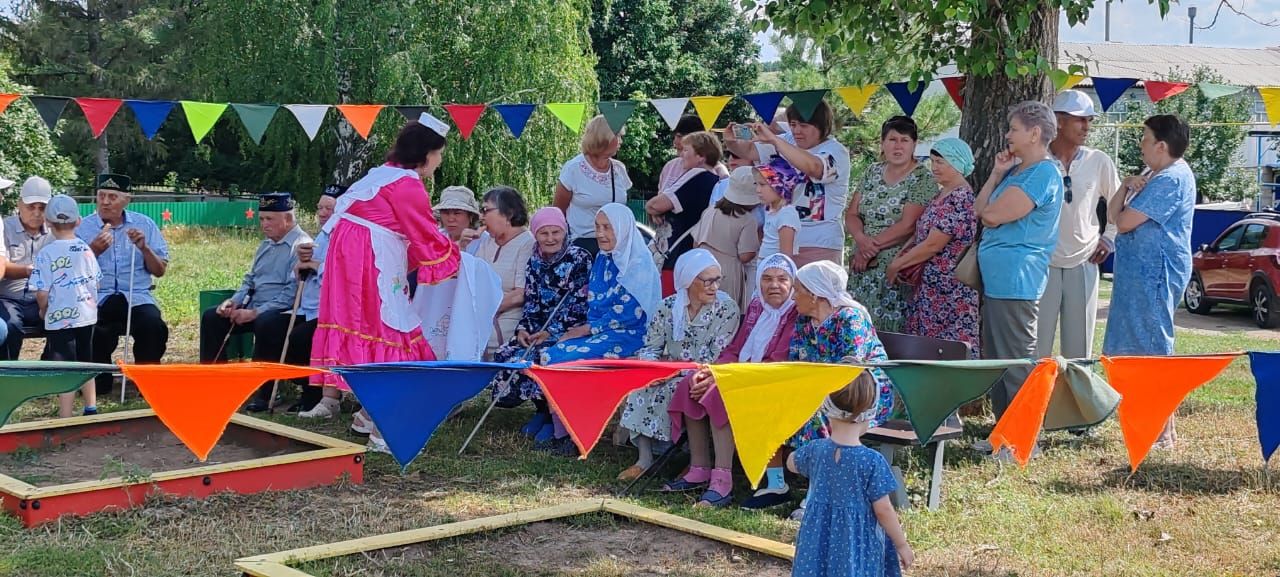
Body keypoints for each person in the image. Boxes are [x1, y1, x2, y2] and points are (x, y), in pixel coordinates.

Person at [309, 114, 461, 453]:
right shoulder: (407, 184)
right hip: (370, 259)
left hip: (350, 257)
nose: (438, 162)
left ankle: (366, 414)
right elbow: (422, 232)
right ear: (426, 153)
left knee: (376, 326)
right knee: (389, 327)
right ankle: (383, 426)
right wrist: (454, 255)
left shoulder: (380, 174)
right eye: (439, 154)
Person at [667, 253, 799, 507]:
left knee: (719, 392)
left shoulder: (794, 313)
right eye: (768, 279)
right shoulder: (757, 307)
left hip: (770, 381)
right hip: (742, 374)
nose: (774, 285)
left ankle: (722, 481)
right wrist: (712, 371)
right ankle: (699, 466)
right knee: (692, 382)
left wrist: (725, 378)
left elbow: (777, 362)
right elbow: (735, 349)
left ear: (793, 284)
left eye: (783, 279)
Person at [538, 204, 661, 456]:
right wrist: (586, 328)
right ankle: (565, 432)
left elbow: (630, 314)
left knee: (562, 358)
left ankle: (575, 436)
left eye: (608, 227)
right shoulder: (604, 259)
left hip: (630, 336)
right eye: (597, 227)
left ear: (624, 229)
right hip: (601, 332)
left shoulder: (637, 264)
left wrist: (586, 329)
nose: (601, 234)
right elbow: (594, 302)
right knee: (551, 353)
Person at [1104, 114, 1196, 449]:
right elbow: (1113, 215)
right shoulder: (1150, 175)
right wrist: (1125, 184)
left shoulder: (1171, 178)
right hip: (1137, 276)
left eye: (1144, 138)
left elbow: (1126, 222)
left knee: (1155, 348)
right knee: (1137, 348)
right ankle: (1148, 423)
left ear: (1161, 145)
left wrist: (1127, 201)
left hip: (1157, 274)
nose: (1140, 145)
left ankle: (1164, 432)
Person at [975, 101, 1063, 430]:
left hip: (1017, 279)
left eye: (1013, 128)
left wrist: (989, 213)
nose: (1007, 134)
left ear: (1034, 133)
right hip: (999, 278)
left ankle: (1022, 436)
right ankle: (1003, 432)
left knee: (1015, 360)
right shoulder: (1016, 171)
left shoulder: (1043, 172)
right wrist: (997, 174)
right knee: (999, 360)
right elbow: (979, 209)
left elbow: (993, 215)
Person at [618, 249, 739, 482]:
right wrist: (654, 369)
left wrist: (676, 370)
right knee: (641, 385)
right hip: (666, 370)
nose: (714, 286)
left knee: (679, 388)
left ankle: (685, 456)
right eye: (708, 280)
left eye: (717, 279)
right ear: (688, 281)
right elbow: (651, 347)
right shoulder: (667, 307)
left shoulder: (726, 309)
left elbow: (718, 355)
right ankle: (644, 459)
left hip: (702, 373)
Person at [788, 371, 914, 577]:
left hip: (817, 539)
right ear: (871, 411)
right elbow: (883, 509)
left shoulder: (815, 450)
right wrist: (901, 544)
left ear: (827, 407)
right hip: (855, 542)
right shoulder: (872, 461)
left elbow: (791, 463)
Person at [199, 193, 312, 411]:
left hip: (285, 311)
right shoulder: (266, 246)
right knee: (212, 317)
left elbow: (292, 293)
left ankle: (267, 390)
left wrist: (256, 312)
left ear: (287, 219)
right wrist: (234, 301)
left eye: (269, 219)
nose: (264, 225)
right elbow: (250, 279)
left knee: (266, 323)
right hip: (255, 304)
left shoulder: (301, 246)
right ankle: (213, 381)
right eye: (261, 219)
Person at [490, 207, 593, 435]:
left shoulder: (578, 259)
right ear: (535, 235)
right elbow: (532, 301)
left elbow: (579, 304)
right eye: (544, 233)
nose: (550, 239)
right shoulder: (534, 260)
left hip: (571, 328)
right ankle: (540, 410)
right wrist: (524, 329)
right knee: (508, 353)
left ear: (564, 232)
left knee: (541, 357)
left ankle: (551, 416)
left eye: (555, 232)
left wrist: (552, 331)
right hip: (538, 328)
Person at [1039, 90, 1120, 363]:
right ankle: (1036, 404)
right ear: (1059, 121)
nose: (1087, 127)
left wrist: (1109, 238)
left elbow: (1118, 203)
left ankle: (1076, 405)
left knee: (1079, 350)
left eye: (1089, 120)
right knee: (1037, 348)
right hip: (1042, 263)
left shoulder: (1099, 160)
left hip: (1084, 261)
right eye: (1080, 120)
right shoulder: (1034, 160)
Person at [76, 173, 170, 396]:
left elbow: (160, 270)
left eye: (112, 196)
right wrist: (93, 250)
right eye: (101, 196)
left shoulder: (144, 224)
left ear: (127, 199)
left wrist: (144, 248)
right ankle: (99, 381)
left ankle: (147, 381)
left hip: (136, 295)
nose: (105, 202)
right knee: (94, 330)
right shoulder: (84, 227)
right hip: (100, 296)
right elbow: (73, 272)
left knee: (152, 325)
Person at [726, 100, 851, 267]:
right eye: (793, 124)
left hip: (818, 243)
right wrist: (731, 141)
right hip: (777, 237)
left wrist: (775, 140)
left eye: (804, 125)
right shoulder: (786, 140)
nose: (797, 131)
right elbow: (749, 151)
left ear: (822, 126)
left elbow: (814, 167)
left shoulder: (836, 151)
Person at [888, 138, 980, 357]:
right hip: (929, 289)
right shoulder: (942, 194)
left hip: (950, 290)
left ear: (957, 164)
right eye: (932, 161)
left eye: (940, 162)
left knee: (949, 349)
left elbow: (933, 244)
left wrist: (896, 265)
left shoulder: (960, 197)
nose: (934, 167)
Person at [845, 116, 934, 332]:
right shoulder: (872, 172)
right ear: (882, 143)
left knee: (890, 333)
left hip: (894, 268)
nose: (898, 146)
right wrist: (861, 241)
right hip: (862, 265)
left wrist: (868, 249)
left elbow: (908, 225)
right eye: (892, 139)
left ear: (914, 144)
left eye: (904, 140)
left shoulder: (922, 178)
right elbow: (852, 214)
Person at [32, 195, 101, 418]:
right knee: (86, 360)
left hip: (59, 318)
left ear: (48, 222)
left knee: (65, 365)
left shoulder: (46, 254)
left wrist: (43, 310)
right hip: (86, 315)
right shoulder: (86, 250)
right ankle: (90, 406)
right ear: (78, 221)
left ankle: (65, 415)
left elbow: (42, 292)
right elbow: (96, 281)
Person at [285, 184, 346, 414]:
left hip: (330, 310)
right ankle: (273, 388)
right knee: (273, 327)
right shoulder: (322, 234)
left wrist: (312, 264)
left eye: (328, 208)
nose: (322, 213)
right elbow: (300, 272)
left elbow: (341, 273)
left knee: (301, 338)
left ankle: (314, 395)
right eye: (320, 207)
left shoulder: (345, 234)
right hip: (307, 306)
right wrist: (302, 261)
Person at [646, 131, 722, 296]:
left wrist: (653, 208)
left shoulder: (695, 175)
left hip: (675, 257)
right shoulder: (716, 181)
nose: (681, 155)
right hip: (696, 256)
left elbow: (655, 205)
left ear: (701, 156)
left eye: (686, 150)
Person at [470, 186, 535, 358]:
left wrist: (484, 309)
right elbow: (473, 281)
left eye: (486, 210)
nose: (482, 217)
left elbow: (521, 293)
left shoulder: (527, 243)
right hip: (481, 317)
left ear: (509, 213)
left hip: (508, 322)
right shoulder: (487, 243)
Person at [554, 115, 632, 256]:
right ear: (604, 137)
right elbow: (558, 211)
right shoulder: (573, 169)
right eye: (618, 136)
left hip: (615, 246)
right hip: (583, 247)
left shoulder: (619, 169)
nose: (621, 141)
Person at [691, 166, 760, 310]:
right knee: (724, 315)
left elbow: (695, 243)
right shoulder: (748, 220)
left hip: (702, 268)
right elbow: (745, 256)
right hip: (727, 273)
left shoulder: (710, 211)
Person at [0, 176, 53, 359]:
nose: (37, 213)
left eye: (42, 207)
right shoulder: (4, 227)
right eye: (31, 207)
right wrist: (29, 270)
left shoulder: (55, 231)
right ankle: (9, 375)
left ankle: (49, 370)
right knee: (11, 325)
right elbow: (2, 265)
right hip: (9, 298)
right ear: (19, 204)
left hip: (43, 298)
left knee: (64, 320)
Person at [756, 160, 806, 260]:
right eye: (756, 184)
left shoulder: (786, 214)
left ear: (778, 186)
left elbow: (786, 257)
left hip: (775, 271)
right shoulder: (770, 210)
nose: (757, 190)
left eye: (762, 185)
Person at [435, 185, 483, 254]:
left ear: (471, 216)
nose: (451, 219)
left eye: (457, 213)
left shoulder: (484, 241)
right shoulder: (437, 237)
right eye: (446, 213)